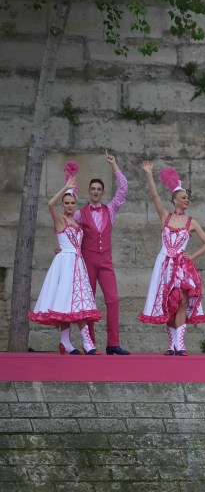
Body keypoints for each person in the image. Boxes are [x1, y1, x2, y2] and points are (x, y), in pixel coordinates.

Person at [138, 161, 205, 355]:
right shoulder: (166, 217)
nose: (187, 200)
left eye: (188, 198)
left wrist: (191, 256)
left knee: (181, 301)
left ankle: (180, 343)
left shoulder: (191, 222)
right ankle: (172, 345)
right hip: (164, 263)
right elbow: (154, 196)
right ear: (175, 200)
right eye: (184, 198)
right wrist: (148, 174)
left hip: (181, 265)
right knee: (169, 302)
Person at [30, 162, 102, 354]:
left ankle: (71, 342)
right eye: (66, 203)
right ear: (63, 205)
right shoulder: (60, 219)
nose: (69, 206)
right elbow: (49, 204)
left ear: (75, 205)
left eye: (72, 203)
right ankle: (81, 343)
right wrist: (66, 187)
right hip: (65, 264)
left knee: (77, 303)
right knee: (66, 302)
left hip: (77, 264)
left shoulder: (76, 222)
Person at [73, 150, 130, 355]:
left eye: (99, 189)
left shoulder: (111, 210)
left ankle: (113, 343)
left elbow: (124, 189)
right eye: (93, 189)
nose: (96, 192)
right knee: (89, 303)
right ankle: (90, 344)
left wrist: (114, 165)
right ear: (89, 192)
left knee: (113, 299)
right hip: (87, 262)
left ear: (103, 192)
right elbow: (68, 229)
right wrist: (62, 246)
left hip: (106, 262)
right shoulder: (80, 214)